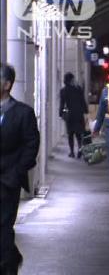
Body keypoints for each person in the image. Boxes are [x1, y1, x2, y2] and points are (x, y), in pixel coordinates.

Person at [0, 63, 40, 275]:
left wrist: (17, 172)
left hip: (8, 180)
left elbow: (31, 144)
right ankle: (11, 257)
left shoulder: (23, 113)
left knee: (4, 226)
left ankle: (7, 267)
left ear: (7, 85)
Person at [59, 72, 88, 158]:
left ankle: (72, 152)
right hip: (79, 114)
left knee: (70, 134)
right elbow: (83, 101)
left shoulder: (63, 91)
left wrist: (60, 113)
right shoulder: (78, 89)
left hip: (70, 115)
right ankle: (79, 149)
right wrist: (86, 111)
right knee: (79, 134)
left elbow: (62, 103)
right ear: (71, 80)